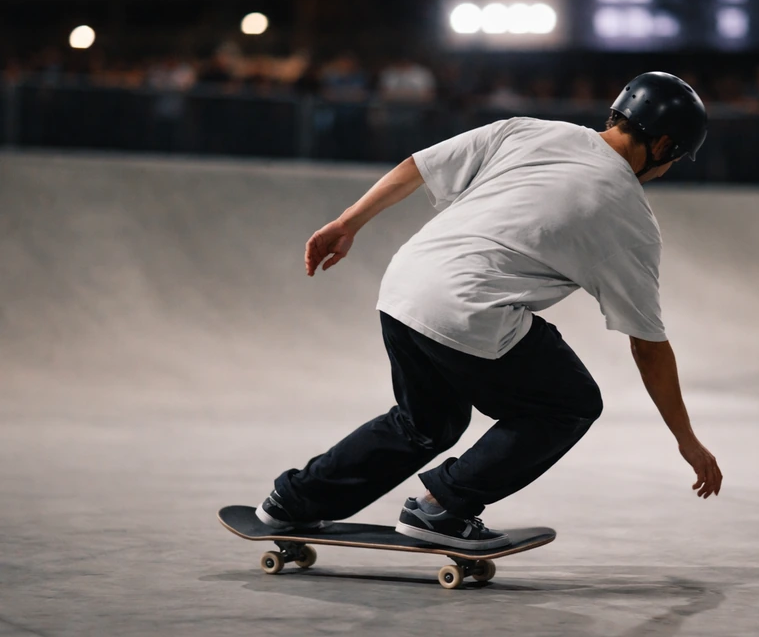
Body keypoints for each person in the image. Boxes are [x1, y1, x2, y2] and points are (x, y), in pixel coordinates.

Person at [256, 72, 723, 550]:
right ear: (664, 144)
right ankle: (442, 508)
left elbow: (418, 166)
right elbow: (648, 345)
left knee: (425, 423)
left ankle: (293, 502)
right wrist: (686, 438)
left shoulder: (529, 130)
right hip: (469, 309)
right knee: (568, 404)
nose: (667, 172)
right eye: (675, 160)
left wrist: (346, 223)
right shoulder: (630, 219)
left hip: (405, 286)